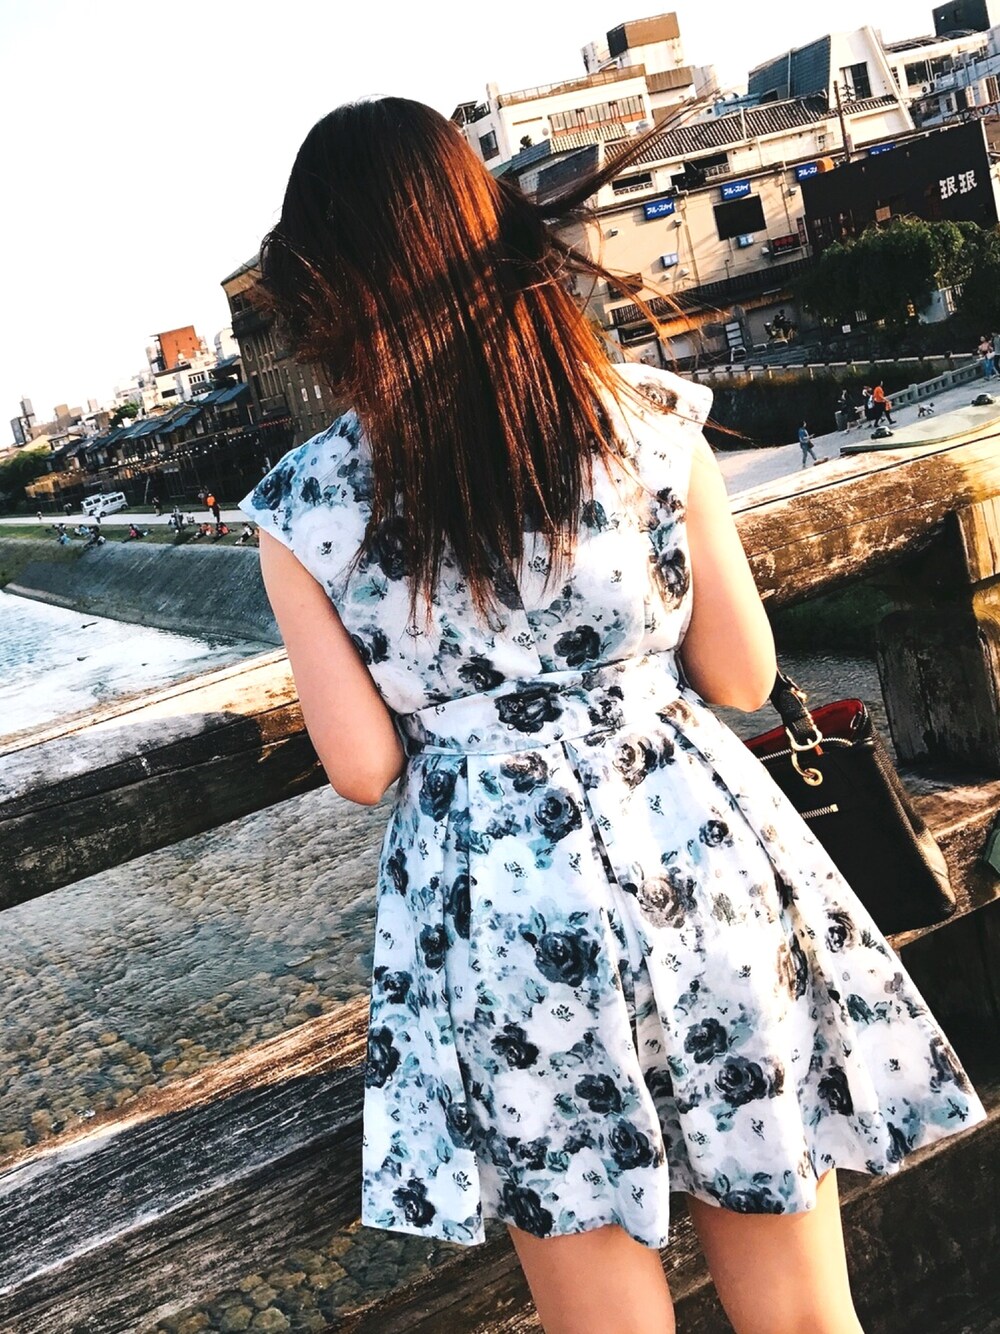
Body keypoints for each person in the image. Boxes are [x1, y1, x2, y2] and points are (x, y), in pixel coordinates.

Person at [238, 98, 985, 1334]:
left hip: (504, 922)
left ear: (330, 282)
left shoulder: (302, 505)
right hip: (700, 864)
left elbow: (363, 765)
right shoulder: (641, 417)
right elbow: (740, 673)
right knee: (805, 1314)